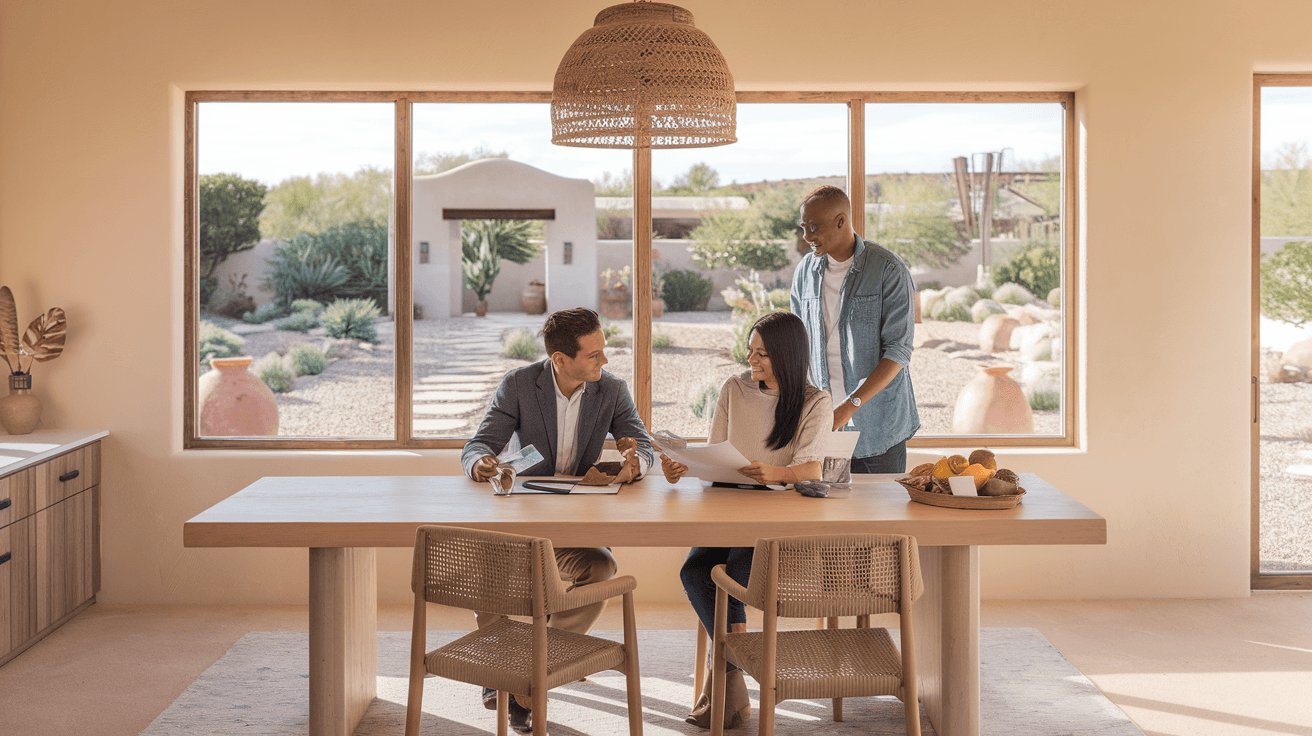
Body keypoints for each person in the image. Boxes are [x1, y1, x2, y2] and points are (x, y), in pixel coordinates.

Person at [461, 306, 655, 732]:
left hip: (574, 523)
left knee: (601, 567)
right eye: (594, 355)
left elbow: (643, 442)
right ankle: (501, 668)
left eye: (604, 352)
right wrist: (481, 465)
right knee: (490, 568)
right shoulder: (519, 385)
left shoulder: (612, 390)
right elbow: (478, 445)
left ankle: (533, 669)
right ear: (560, 360)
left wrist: (636, 460)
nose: (604, 361)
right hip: (521, 518)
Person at [659, 311, 833, 729]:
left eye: (763, 354)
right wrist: (684, 466)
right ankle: (735, 676)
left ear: (788, 357)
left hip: (774, 510)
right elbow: (714, 449)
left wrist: (779, 473)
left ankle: (724, 686)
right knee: (696, 570)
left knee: (734, 572)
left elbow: (811, 469)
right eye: (750, 351)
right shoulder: (733, 389)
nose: (751, 360)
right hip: (725, 501)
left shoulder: (815, 401)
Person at [790, 184, 919, 474]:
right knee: (827, 516)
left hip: (879, 432)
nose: (807, 236)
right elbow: (797, 343)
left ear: (841, 221)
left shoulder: (888, 270)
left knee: (879, 518)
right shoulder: (804, 272)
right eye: (803, 227)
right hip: (822, 430)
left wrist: (848, 407)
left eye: (813, 227)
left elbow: (899, 350)